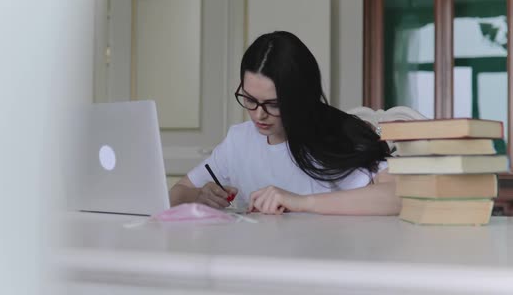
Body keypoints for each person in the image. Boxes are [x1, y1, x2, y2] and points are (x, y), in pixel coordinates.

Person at [169, 31, 400, 215]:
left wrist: (301, 203)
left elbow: (399, 196)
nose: (259, 115)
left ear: (301, 97)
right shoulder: (238, 141)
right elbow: (177, 192)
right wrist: (198, 195)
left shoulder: (337, 136)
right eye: (250, 100)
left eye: (274, 104)